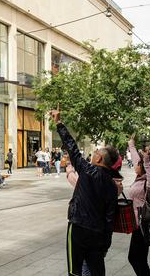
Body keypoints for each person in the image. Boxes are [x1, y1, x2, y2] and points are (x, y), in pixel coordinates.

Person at [50, 109, 119, 276]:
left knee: (75, 271)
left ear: (100, 159)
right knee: (96, 271)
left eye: (96, 153)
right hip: (98, 233)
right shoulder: (112, 185)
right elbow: (110, 218)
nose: (93, 154)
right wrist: (105, 245)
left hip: (78, 227)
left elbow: (72, 148)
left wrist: (59, 123)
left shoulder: (88, 170)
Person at [127, 138, 150, 276]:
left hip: (144, 224)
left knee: (135, 258)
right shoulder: (141, 178)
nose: (135, 165)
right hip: (138, 225)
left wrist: (147, 160)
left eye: (138, 164)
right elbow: (138, 158)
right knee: (139, 258)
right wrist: (131, 144)